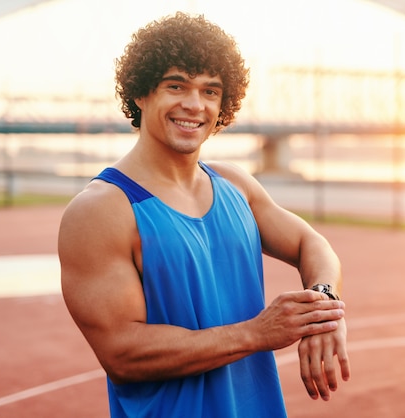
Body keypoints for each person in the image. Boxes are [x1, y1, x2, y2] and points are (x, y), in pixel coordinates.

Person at [58, 11, 350, 418]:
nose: (194, 105)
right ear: (141, 93)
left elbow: (310, 243)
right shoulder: (101, 210)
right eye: (176, 86)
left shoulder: (235, 184)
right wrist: (256, 333)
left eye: (210, 91)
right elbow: (123, 355)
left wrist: (324, 306)